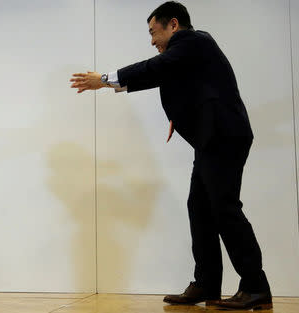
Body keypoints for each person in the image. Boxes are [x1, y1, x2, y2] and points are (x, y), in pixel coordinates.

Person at [70, 1, 272, 310]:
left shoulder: (193, 41)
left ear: (173, 24)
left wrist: (107, 78)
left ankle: (255, 287)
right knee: (201, 209)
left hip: (222, 138)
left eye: (153, 32)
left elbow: (155, 69)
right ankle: (207, 283)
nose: (151, 41)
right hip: (211, 140)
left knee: (225, 209)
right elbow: (161, 75)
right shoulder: (187, 53)